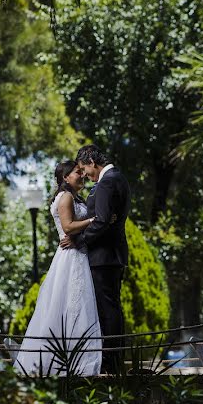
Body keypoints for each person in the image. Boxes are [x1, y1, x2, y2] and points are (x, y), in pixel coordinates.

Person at [15, 161, 102, 376]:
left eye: (82, 172)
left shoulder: (72, 197)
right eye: (77, 172)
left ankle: (76, 357)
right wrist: (93, 220)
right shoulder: (66, 197)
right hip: (71, 257)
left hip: (76, 253)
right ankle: (65, 360)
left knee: (76, 305)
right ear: (65, 177)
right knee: (70, 304)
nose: (81, 175)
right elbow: (68, 227)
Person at [61, 145, 131, 374]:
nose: (85, 174)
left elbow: (101, 221)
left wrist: (78, 240)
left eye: (84, 168)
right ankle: (114, 360)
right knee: (112, 307)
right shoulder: (119, 177)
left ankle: (111, 363)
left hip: (104, 256)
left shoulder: (107, 182)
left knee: (107, 309)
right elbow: (104, 219)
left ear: (92, 161)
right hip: (113, 254)